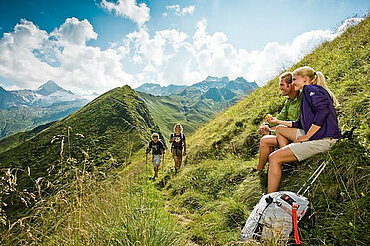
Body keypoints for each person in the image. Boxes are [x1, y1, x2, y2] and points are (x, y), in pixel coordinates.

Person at [267, 66, 341, 193]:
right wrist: (277, 123)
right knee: (280, 129)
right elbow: (299, 123)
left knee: (274, 157)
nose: (293, 82)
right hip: (320, 135)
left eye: (295, 79)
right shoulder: (309, 92)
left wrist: (307, 137)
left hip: (324, 139)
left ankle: (269, 197)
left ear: (305, 79)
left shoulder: (310, 89)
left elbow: (323, 111)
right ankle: (288, 162)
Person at [254, 72, 302, 172]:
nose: (280, 88)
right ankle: (260, 170)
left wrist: (271, 131)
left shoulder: (302, 99)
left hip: (298, 134)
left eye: (281, 85)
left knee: (265, 140)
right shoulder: (289, 101)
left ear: (291, 85)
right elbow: (280, 118)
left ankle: (288, 163)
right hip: (286, 133)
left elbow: (297, 123)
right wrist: (267, 124)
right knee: (265, 138)